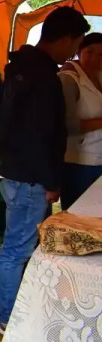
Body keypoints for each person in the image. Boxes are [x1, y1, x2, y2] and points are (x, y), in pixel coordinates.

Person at [0, 6, 90, 334]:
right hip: (29, 176)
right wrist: (51, 181)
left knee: (16, 245)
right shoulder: (43, 77)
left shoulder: (21, 66)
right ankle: (8, 317)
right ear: (64, 39)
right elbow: (41, 135)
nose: (73, 52)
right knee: (17, 249)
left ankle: (7, 296)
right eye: (75, 44)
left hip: (16, 170)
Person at [58, 32, 102, 210]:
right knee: (77, 215)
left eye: (101, 54)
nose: (94, 58)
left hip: (99, 158)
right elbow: (67, 125)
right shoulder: (69, 79)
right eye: (89, 52)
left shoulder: (99, 77)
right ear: (79, 51)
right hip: (77, 162)